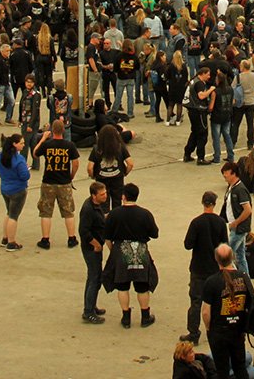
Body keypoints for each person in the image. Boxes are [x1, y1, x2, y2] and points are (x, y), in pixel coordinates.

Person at [101, 182, 161, 329]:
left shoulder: (114, 214)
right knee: (142, 286)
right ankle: (145, 316)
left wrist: (114, 251)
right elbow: (155, 234)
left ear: (123, 197)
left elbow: (107, 236)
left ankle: (126, 317)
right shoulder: (145, 214)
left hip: (121, 251)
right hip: (140, 251)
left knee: (122, 286)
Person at [201, 243, 254, 379]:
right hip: (238, 329)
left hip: (219, 331)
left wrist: (209, 328)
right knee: (240, 366)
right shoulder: (244, 277)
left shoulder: (212, 281)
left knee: (222, 369)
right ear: (232, 257)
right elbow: (252, 300)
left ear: (216, 259)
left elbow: (205, 312)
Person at [182, 190, 228, 345]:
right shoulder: (221, 222)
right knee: (217, 302)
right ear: (214, 204)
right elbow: (225, 246)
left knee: (196, 302)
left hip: (198, 268)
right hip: (216, 269)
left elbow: (188, 244)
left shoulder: (196, 222)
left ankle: (193, 333)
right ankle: (216, 330)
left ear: (203, 203)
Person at [34, 118, 80, 249]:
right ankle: (71, 238)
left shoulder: (47, 145)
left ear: (52, 131)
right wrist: (71, 176)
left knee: (46, 212)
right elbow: (76, 163)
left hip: (48, 181)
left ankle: (45, 239)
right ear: (63, 131)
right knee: (68, 212)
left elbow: (35, 154)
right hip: (64, 182)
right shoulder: (69, 145)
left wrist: (43, 139)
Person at [78, 181, 109, 324]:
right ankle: (88, 311)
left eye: (105, 193)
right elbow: (83, 231)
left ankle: (91, 305)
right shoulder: (88, 209)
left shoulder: (96, 205)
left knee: (95, 278)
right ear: (94, 195)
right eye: (102, 194)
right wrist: (95, 244)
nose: (105, 196)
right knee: (94, 278)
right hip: (91, 249)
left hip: (96, 246)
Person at [0, 133, 31, 251]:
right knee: (14, 216)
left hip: (5, 188)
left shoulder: (0, 156)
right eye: (21, 143)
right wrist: (26, 168)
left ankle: (5, 238)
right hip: (17, 190)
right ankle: (11, 242)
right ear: (15, 144)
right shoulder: (19, 160)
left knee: (9, 212)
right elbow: (25, 176)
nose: (23, 145)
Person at [221, 161, 254, 276]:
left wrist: (236, 222)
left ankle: (235, 278)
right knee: (240, 257)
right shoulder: (231, 187)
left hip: (239, 228)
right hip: (237, 227)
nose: (224, 175)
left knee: (226, 256)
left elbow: (248, 210)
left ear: (233, 173)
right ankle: (246, 280)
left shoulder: (239, 189)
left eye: (226, 172)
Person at [89, 123, 134, 208]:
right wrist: (124, 173)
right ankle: (115, 220)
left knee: (103, 204)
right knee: (117, 203)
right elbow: (130, 164)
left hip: (101, 180)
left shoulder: (97, 149)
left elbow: (90, 167)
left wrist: (93, 176)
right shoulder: (120, 147)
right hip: (117, 179)